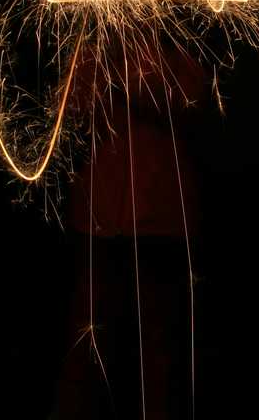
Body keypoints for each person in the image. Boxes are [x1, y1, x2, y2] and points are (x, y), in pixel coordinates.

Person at [51, 37, 206, 420]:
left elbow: (185, 100)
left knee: (158, 349)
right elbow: (69, 110)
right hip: (100, 220)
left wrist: (119, 75)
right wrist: (95, 67)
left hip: (159, 222)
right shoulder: (94, 48)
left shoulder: (175, 49)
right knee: (86, 341)